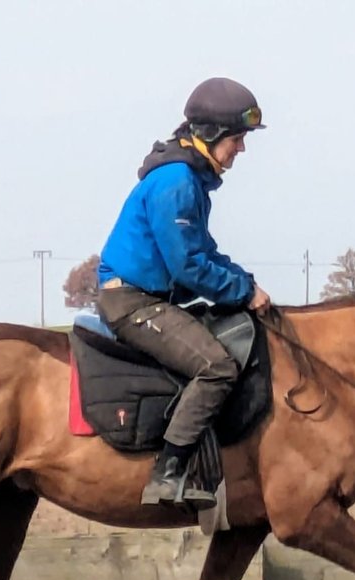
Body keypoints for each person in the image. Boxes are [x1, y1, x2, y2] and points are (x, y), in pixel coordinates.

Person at [96, 76, 272, 510]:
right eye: (238, 139)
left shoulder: (189, 181)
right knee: (216, 367)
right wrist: (243, 291)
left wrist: (244, 282)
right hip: (132, 302)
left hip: (150, 297)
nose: (241, 150)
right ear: (211, 136)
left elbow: (203, 251)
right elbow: (188, 266)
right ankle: (168, 471)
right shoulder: (176, 182)